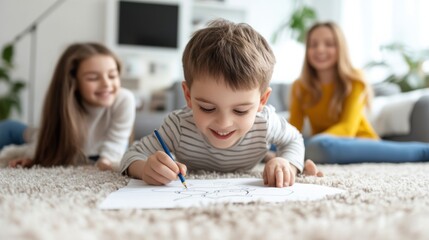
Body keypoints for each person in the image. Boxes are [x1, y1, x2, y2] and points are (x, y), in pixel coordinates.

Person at [121, 19, 306, 188]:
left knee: (279, 160)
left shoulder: (265, 122)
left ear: (262, 101)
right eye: (207, 108)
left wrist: (287, 164)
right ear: (188, 95)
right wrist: (144, 168)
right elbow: (130, 156)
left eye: (240, 111)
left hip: (252, 159)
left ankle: (269, 156)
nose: (223, 123)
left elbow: (294, 140)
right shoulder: (178, 126)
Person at [288, 21, 429, 171]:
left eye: (329, 44)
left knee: (319, 146)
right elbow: (294, 129)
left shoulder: (355, 81)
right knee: (276, 143)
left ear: (341, 48)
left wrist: (310, 144)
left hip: (358, 141)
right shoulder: (300, 86)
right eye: (313, 45)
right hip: (323, 143)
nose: (320, 49)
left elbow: (347, 129)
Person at [2, 42, 136, 171]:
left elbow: (114, 147)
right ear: (74, 81)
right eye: (93, 78)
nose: (107, 84)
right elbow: (47, 137)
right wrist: (33, 157)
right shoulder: (65, 104)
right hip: (35, 135)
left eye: (112, 75)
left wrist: (105, 163)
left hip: (99, 150)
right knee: (9, 129)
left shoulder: (124, 99)